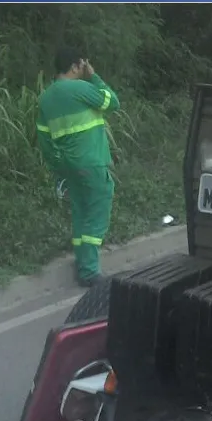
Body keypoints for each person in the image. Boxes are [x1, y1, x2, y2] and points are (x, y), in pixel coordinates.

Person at [36, 46, 121, 287]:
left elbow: (45, 141)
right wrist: (93, 75)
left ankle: (83, 264)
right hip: (92, 163)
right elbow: (112, 102)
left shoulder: (46, 98)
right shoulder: (82, 88)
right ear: (75, 66)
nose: (83, 69)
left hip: (69, 166)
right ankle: (89, 272)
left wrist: (59, 169)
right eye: (82, 65)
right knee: (97, 213)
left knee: (81, 213)